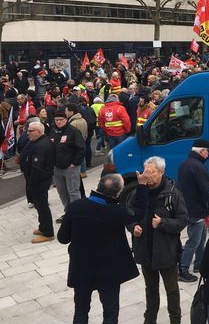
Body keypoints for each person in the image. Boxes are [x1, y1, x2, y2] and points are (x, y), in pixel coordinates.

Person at [57, 174, 139, 324]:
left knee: (80, 312)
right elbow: (138, 215)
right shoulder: (117, 212)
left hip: (81, 269)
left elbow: (62, 238)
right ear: (117, 193)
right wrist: (143, 187)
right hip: (108, 272)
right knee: (110, 312)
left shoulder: (76, 207)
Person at [130, 156, 188, 324]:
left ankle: (175, 320)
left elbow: (183, 220)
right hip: (145, 251)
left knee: (172, 290)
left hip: (166, 252)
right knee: (151, 290)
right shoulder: (138, 192)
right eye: (145, 170)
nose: (147, 175)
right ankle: (150, 320)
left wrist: (163, 223)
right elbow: (128, 214)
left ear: (161, 172)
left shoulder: (173, 194)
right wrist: (133, 227)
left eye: (151, 172)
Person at [177, 139, 209, 283]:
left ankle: (199, 264)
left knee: (200, 238)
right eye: (208, 152)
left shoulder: (185, 164)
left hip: (190, 208)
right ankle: (182, 268)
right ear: (202, 151)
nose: (208, 155)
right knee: (194, 241)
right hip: (196, 210)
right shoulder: (198, 167)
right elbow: (206, 190)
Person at [51, 110, 86, 224]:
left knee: (73, 191)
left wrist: (74, 163)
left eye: (61, 120)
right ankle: (68, 212)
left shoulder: (73, 131)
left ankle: (78, 214)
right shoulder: (53, 131)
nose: (59, 122)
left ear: (66, 120)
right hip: (57, 168)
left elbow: (81, 148)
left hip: (70, 167)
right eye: (57, 120)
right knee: (62, 192)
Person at [23, 122, 55, 243]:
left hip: (39, 180)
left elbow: (37, 167)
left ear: (38, 132)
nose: (28, 133)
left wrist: (31, 182)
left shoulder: (41, 145)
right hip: (42, 179)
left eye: (30, 131)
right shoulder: (42, 141)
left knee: (42, 206)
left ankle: (48, 233)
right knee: (39, 205)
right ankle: (43, 227)